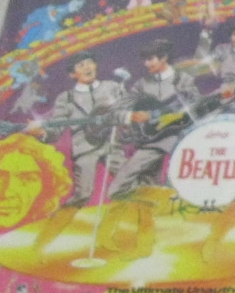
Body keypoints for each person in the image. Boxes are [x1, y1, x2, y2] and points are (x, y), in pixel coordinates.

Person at [28, 54, 127, 206]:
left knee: (131, 182)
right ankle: (61, 220)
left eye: (89, 63)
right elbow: (57, 127)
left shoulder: (112, 87)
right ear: (72, 74)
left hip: (112, 145)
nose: (87, 67)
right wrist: (42, 133)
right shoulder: (66, 98)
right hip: (85, 149)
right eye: (81, 65)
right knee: (83, 194)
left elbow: (129, 110)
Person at [109, 40, 202, 197]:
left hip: (176, 138)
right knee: (149, 186)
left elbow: (195, 106)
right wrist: (130, 116)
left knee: (118, 188)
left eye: (150, 59)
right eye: (144, 60)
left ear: (163, 57)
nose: (146, 64)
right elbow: (115, 111)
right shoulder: (141, 84)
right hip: (149, 139)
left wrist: (157, 115)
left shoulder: (184, 79)